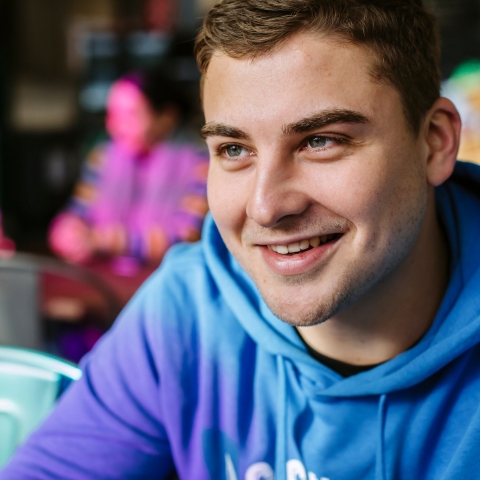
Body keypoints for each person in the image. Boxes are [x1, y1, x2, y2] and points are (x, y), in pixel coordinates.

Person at [3, 1, 480, 479]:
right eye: (234, 149)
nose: (265, 207)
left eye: (321, 140)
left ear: (434, 142)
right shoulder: (188, 311)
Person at [49, 70, 209, 265]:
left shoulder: (199, 162)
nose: (115, 126)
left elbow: (186, 236)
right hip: (104, 280)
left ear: (166, 117)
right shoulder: (103, 156)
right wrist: (66, 230)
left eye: (130, 115)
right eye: (112, 115)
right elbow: (78, 210)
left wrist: (104, 240)